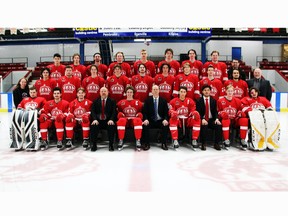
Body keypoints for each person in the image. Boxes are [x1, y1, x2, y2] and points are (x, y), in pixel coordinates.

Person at [11, 86, 46, 151]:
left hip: (36, 118)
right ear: (29, 93)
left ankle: (36, 140)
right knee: (16, 122)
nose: (32, 94)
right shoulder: (25, 100)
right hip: (25, 118)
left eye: (34, 92)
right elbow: (19, 107)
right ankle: (19, 140)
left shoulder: (41, 99)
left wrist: (39, 110)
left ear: (36, 92)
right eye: (31, 92)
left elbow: (45, 108)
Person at [217, 85, 249, 150]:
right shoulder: (220, 100)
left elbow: (241, 109)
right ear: (226, 91)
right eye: (228, 91)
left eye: (231, 91)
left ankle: (242, 139)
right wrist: (221, 114)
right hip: (226, 120)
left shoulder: (237, 100)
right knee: (225, 120)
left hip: (234, 120)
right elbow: (218, 111)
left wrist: (240, 113)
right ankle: (226, 140)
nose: (230, 92)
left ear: (233, 92)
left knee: (244, 120)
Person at [168, 86, 201, 150]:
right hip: (178, 120)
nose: (182, 93)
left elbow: (192, 110)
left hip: (187, 120)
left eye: (184, 92)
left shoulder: (190, 101)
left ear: (186, 93)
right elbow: (170, 110)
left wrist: (193, 113)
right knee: (172, 119)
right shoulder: (173, 101)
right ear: (179, 92)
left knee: (197, 119)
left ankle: (194, 140)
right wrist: (173, 113)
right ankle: (175, 140)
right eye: (181, 92)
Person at [142, 84, 169, 150]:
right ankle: (146, 143)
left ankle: (164, 143)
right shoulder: (147, 100)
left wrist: (165, 119)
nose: (155, 91)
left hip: (160, 120)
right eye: (154, 89)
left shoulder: (163, 101)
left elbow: (166, 113)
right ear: (151, 91)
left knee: (165, 125)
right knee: (145, 125)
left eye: (157, 89)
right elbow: (144, 112)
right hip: (150, 120)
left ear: (159, 90)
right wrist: (145, 119)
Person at [116, 86, 143, 151]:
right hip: (125, 120)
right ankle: (121, 140)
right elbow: (117, 111)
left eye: (131, 92)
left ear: (133, 93)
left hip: (134, 120)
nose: (129, 93)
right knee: (121, 120)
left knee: (138, 120)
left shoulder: (138, 102)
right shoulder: (121, 102)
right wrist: (119, 114)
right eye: (128, 92)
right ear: (125, 93)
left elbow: (142, 112)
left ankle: (138, 140)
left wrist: (140, 115)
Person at [90, 87, 117, 152]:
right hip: (98, 121)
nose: (103, 93)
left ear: (107, 93)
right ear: (99, 93)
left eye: (105, 91)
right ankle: (94, 145)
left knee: (111, 126)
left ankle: (111, 144)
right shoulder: (95, 101)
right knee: (93, 126)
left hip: (108, 120)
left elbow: (114, 112)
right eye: (102, 91)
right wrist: (94, 119)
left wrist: (111, 119)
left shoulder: (112, 101)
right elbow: (93, 111)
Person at [196, 85, 222, 151]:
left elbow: (215, 112)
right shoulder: (199, 100)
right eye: (205, 90)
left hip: (211, 119)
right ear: (202, 92)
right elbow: (198, 112)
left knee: (218, 125)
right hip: (203, 119)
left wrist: (216, 119)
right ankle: (203, 143)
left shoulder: (213, 100)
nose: (206, 92)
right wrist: (202, 119)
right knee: (204, 125)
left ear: (210, 91)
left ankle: (216, 143)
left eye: (208, 90)